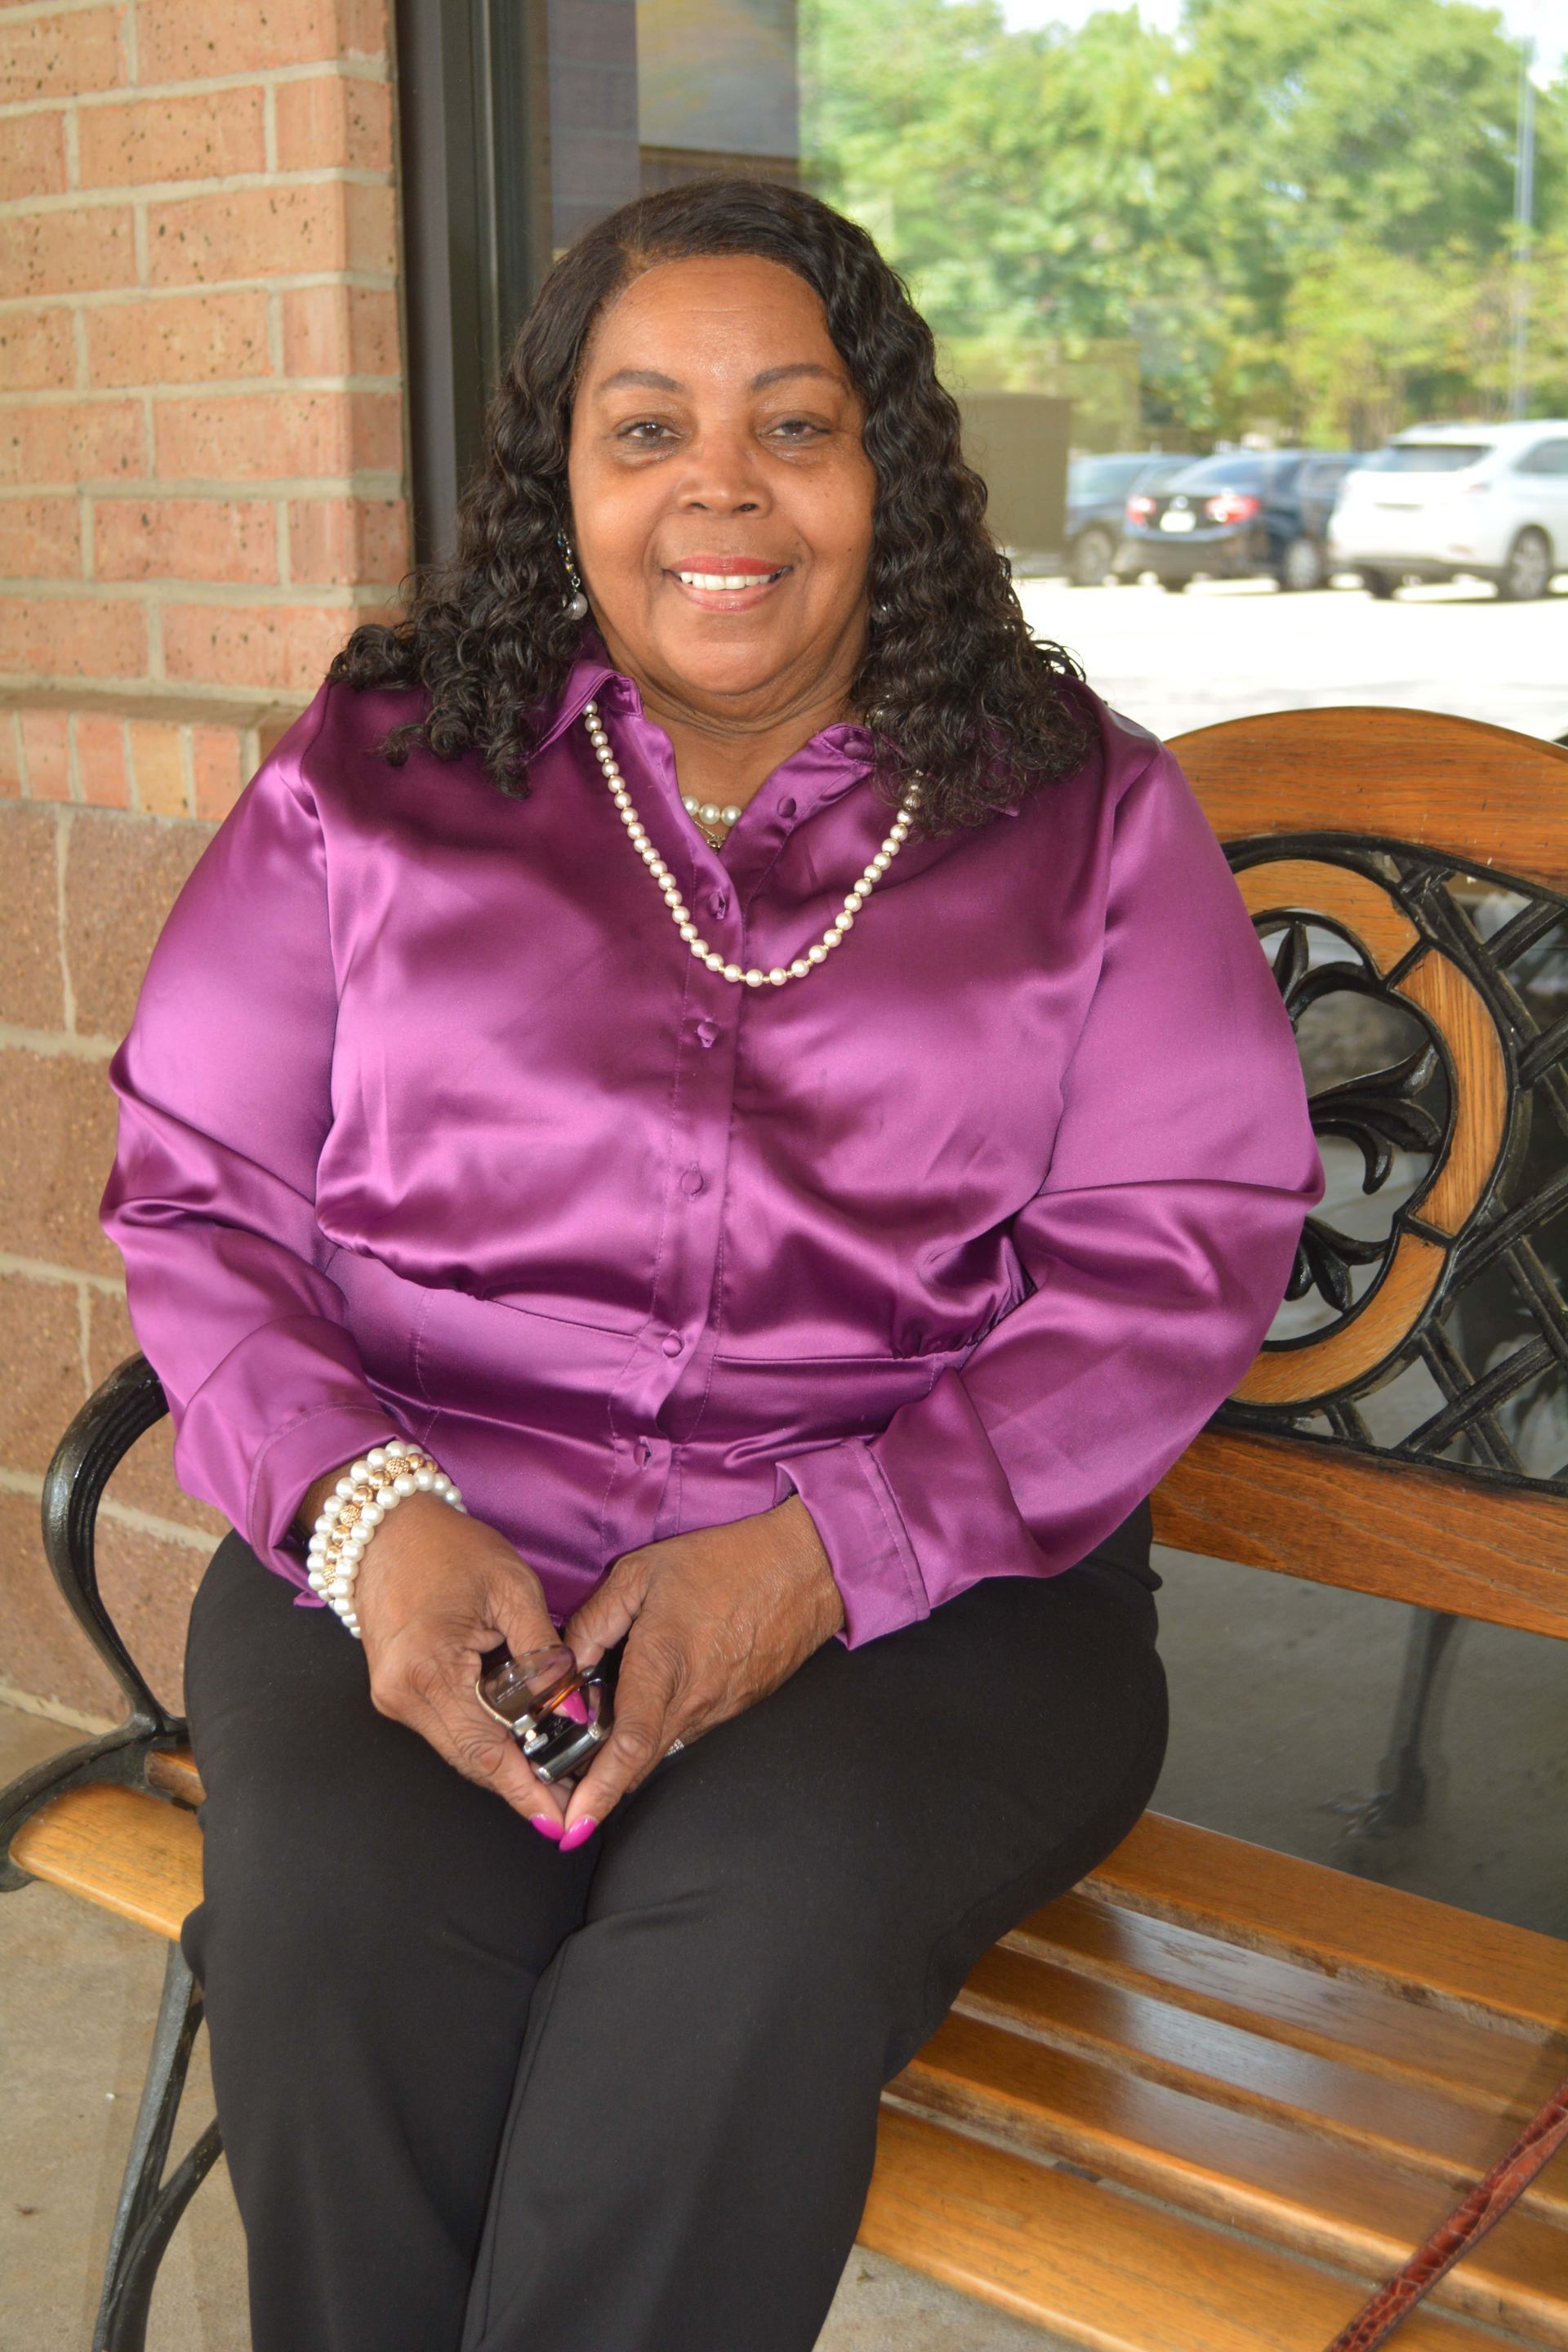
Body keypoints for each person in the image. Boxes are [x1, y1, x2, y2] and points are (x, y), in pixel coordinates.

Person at [99, 178, 1323, 2352]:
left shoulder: (1083, 816)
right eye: (647, 428)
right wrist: (370, 1521)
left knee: (731, 1965)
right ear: (562, 480)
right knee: (347, 1953)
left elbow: (1176, 1255)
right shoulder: (381, 774)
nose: (721, 488)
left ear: (889, 472)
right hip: (419, 1547)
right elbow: (202, 1193)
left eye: (795, 425)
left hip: (939, 1603)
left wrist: (826, 1552)